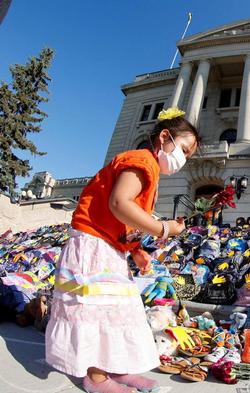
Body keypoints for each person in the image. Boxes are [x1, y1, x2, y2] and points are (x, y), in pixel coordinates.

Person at [45, 107, 200, 393]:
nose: (184, 159)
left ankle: (115, 366)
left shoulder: (151, 169)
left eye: (189, 155)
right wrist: (163, 228)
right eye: (184, 149)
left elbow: (124, 221)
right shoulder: (141, 160)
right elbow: (120, 204)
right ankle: (95, 375)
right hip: (92, 245)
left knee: (119, 310)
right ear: (164, 136)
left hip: (109, 247)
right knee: (92, 312)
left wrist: (137, 249)